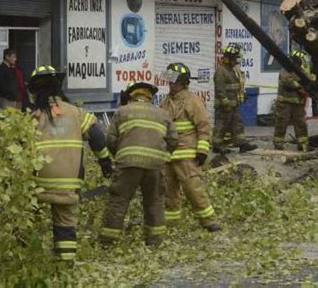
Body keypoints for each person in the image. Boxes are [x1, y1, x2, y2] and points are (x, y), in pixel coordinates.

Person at [29, 65, 113, 267]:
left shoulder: (33, 117)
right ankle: (66, 265)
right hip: (68, 183)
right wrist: (105, 163)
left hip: (37, 184)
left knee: (27, 220)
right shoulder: (76, 113)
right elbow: (98, 136)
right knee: (65, 222)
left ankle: (28, 260)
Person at [99, 82, 178, 246]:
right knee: (155, 201)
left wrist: (120, 155)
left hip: (128, 164)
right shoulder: (162, 114)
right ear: (150, 97)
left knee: (119, 200)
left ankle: (108, 241)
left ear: (131, 96)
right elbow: (173, 140)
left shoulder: (122, 111)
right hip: (155, 165)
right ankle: (155, 240)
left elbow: (110, 140)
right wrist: (162, 156)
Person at [160, 63, 220, 232]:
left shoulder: (192, 101)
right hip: (168, 156)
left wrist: (202, 150)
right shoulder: (166, 102)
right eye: (169, 81)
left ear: (182, 82)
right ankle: (172, 224)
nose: (170, 84)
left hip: (187, 156)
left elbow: (204, 126)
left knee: (193, 189)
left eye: (173, 81)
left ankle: (209, 221)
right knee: (168, 191)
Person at [213, 44, 258, 154]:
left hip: (234, 105)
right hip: (224, 106)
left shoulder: (231, 70)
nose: (236, 61)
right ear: (229, 59)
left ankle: (242, 144)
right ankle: (217, 146)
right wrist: (226, 104)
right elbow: (220, 90)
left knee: (237, 125)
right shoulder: (221, 71)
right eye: (235, 58)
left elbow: (235, 86)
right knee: (221, 126)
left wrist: (242, 94)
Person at [273, 50, 309, 151]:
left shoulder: (302, 71)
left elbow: (308, 81)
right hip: (284, 104)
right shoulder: (285, 70)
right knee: (281, 123)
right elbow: (287, 82)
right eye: (300, 61)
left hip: (298, 104)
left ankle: (303, 144)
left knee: (301, 124)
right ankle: (278, 144)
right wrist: (300, 86)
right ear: (296, 61)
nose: (301, 63)